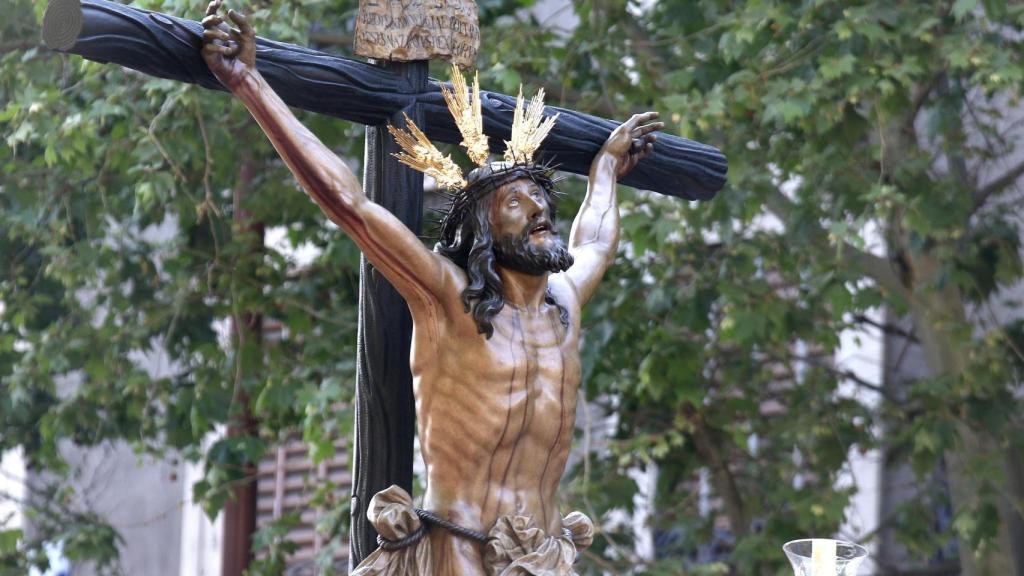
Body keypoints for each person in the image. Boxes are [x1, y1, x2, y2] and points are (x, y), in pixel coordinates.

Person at [200, 2, 662, 574]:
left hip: (546, 560)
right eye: (516, 202)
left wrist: (606, 172)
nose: (541, 209)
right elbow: (351, 205)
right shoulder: (446, 297)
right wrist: (249, 83)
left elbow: (594, 240)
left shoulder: (563, 300)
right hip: (457, 551)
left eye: (542, 199)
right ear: (484, 234)